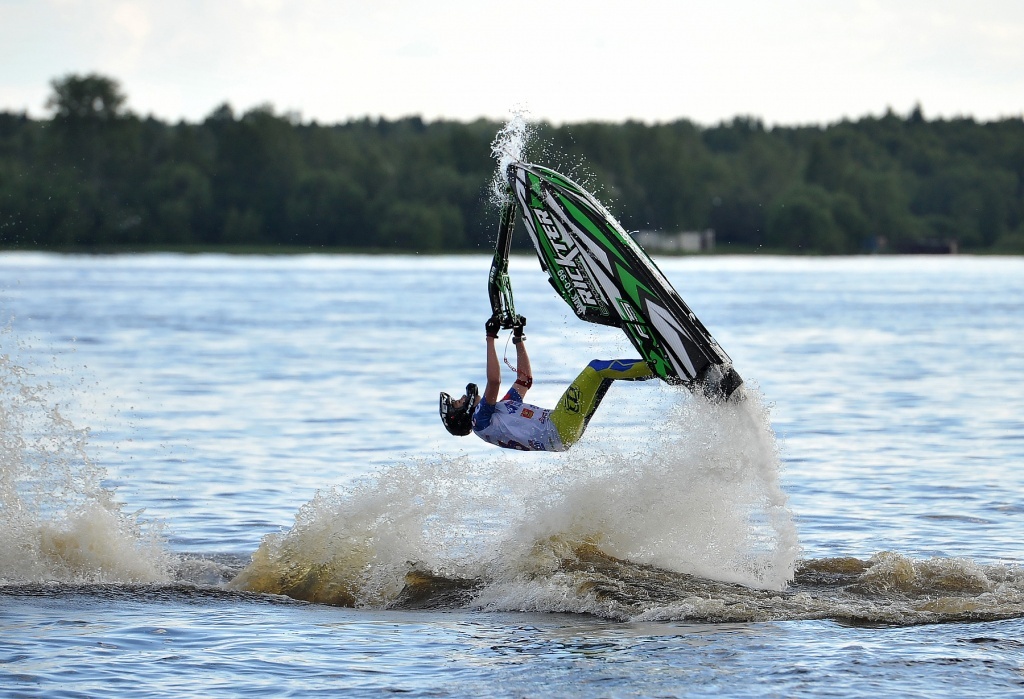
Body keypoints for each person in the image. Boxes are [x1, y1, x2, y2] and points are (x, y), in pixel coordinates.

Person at [439, 315, 655, 451]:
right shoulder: (479, 420)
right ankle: (659, 366)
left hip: (564, 435)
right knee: (596, 369)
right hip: (558, 427)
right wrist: (490, 337)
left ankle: (662, 374)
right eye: (458, 402)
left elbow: (524, 381)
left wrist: (518, 339)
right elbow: (494, 381)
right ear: (461, 415)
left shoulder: (497, 414)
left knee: (606, 376)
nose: (463, 397)